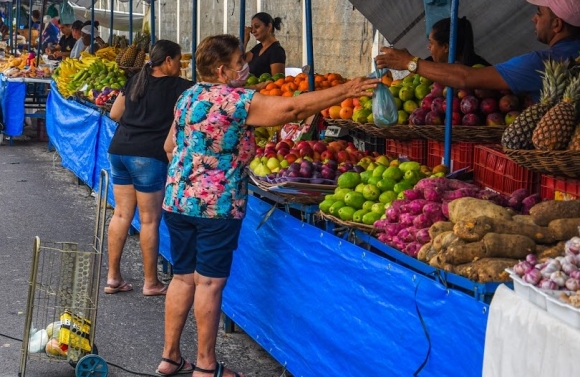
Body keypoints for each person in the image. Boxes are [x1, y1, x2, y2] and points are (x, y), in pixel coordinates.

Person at [155, 34, 378, 377]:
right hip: (217, 206)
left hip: (177, 198)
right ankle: (205, 366)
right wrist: (344, 91)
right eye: (239, 62)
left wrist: (193, 174)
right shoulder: (236, 100)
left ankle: (169, 358)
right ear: (222, 70)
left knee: (183, 278)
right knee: (210, 283)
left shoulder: (188, 96)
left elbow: (170, 145)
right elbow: (292, 109)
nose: (245, 66)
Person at [106, 40, 192, 297]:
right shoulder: (180, 87)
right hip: (148, 156)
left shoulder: (136, 80)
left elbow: (114, 113)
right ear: (168, 60)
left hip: (119, 149)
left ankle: (113, 278)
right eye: (178, 60)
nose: (179, 66)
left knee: (121, 214)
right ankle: (151, 282)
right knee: (149, 220)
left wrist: (137, 121)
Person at [375, 0, 580, 102]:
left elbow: (466, 77)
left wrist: (410, 62)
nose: (533, 18)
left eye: (539, 13)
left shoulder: (541, 63)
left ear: (557, 25)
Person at [243, 12, 286, 76]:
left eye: (257, 26)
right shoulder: (258, 47)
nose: (253, 31)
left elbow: (277, 81)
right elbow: (240, 60)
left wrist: (258, 86)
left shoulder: (276, 51)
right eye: (252, 28)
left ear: (269, 27)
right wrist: (245, 40)